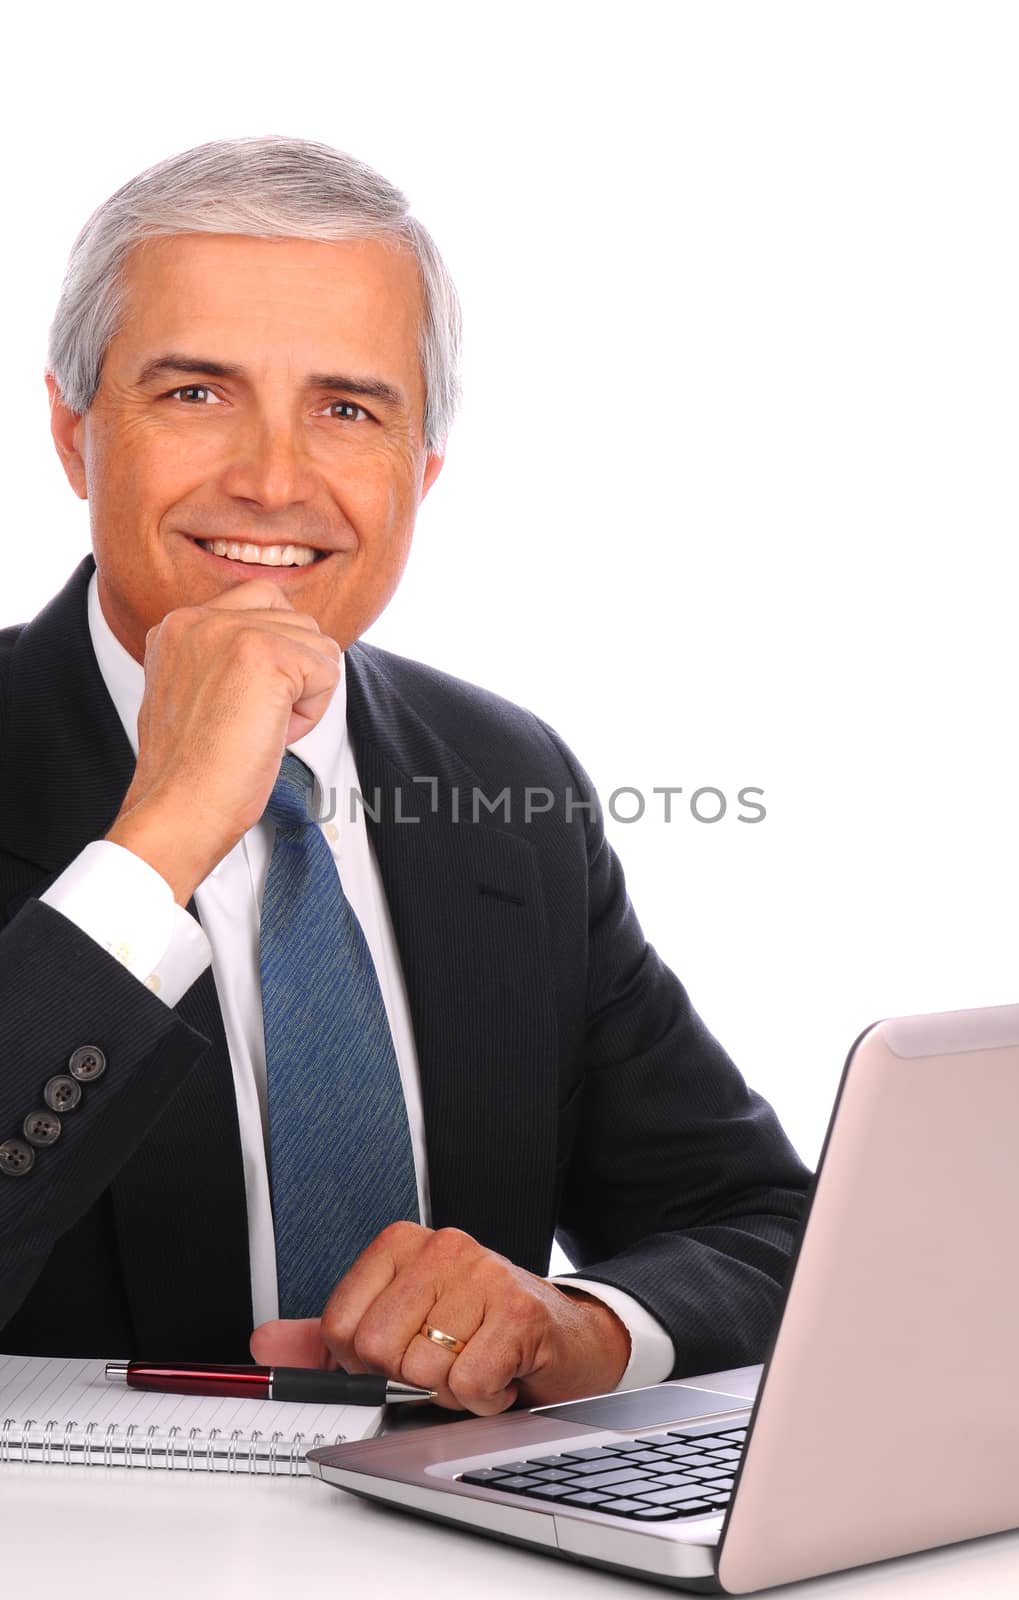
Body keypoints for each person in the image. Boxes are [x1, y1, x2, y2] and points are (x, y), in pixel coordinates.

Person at [0, 136, 811, 1417]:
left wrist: (581, 1325)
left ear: (422, 468)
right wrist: (156, 841)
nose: (273, 478)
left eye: (347, 408)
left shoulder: (506, 777)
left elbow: (758, 1220)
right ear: (72, 433)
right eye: (196, 393)